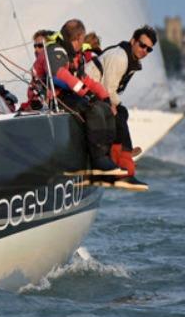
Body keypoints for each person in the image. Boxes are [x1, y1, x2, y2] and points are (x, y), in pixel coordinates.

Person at [29, 19, 118, 170]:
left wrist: (105, 97)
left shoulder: (73, 54)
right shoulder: (55, 50)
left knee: (104, 108)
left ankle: (106, 155)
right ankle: (98, 159)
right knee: (92, 109)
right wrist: (86, 93)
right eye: (82, 39)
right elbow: (59, 75)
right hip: (51, 97)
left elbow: (84, 79)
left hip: (67, 94)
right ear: (77, 38)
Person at [85, 25, 158, 191]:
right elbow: (108, 88)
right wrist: (114, 105)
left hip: (98, 93)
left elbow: (111, 90)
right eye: (142, 45)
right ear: (133, 41)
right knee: (119, 114)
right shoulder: (120, 57)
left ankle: (121, 157)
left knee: (121, 113)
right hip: (88, 93)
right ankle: (125, 166)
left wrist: (115, 105)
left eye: (149, 49)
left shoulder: (131, 61)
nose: (144, 50)